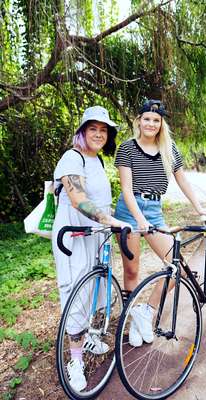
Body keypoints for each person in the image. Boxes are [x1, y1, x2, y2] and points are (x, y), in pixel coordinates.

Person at [114, 99, 206, 347]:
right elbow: (126, 188)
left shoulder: (169, 150)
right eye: (146, 119)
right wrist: (138, 219)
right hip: (129, 210)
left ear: (161, 124)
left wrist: (199, 207)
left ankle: (145, 312)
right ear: (139, 121)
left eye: (156, 120)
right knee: (132, 270)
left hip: (154, 210)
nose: (151, 123)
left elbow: (183, 181)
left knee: (175, 266)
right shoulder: (127, 148)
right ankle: (132, 317)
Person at [52, 106, 129, 391]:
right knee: (76, 291)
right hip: (74, 235)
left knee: (97, 288)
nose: (98, 133)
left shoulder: (96, 160)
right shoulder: (72, 157)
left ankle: (90, 337)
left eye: (103, 129)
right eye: (92, 128)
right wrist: (110, 220)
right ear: (82, 131)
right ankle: (74, 360)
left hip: (97, 233)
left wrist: (108, 224)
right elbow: (77, 199)